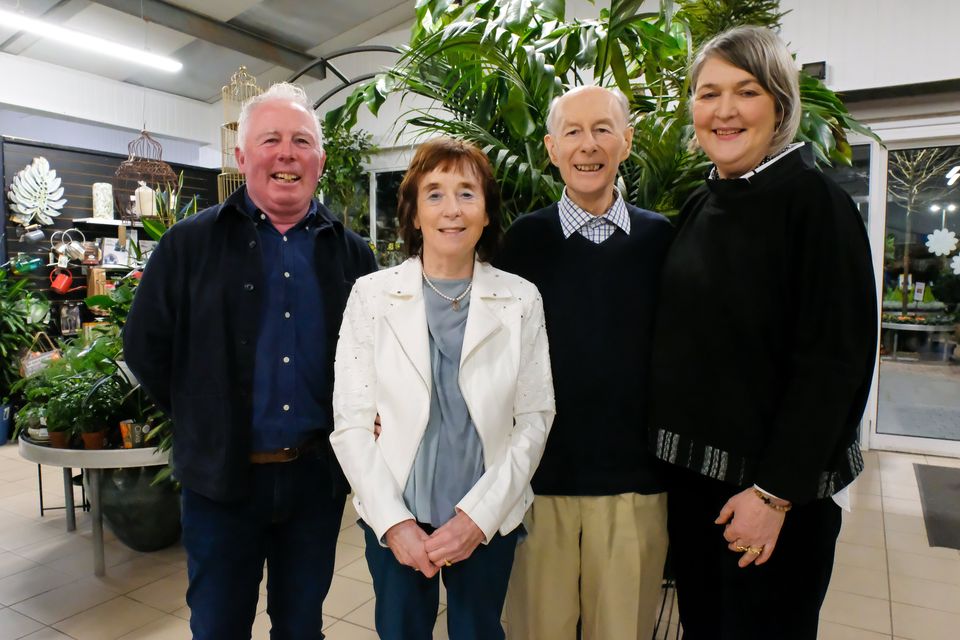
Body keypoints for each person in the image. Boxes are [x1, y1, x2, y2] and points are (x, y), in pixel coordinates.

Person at [123, 82, 377, 640]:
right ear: (242, 157)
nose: (287, 153)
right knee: (218, 627)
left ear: (320, 159)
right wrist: (204, 412)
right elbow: (143, 347)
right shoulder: (188, 246)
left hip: (315, 481)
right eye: (271, 140)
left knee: (301, 625)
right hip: (221, 483)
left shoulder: (354, 255)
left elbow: (373, 360)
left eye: (301, 141)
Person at [647, 26, 877, 640]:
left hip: (771, 500)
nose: (723, 110)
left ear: (779, 103)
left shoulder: (816, 205)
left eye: (744, 91)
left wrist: (773, 496)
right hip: (697, 489)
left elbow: (835, 365)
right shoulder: (704, 204)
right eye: (707, 93)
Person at [330, 137, 555, 640]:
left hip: (485, 516)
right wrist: (393, 524)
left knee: (478, 632)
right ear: (412, 214)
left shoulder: (519, 299)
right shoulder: (371, 296)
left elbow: (536, 418)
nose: (451, 210)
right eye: (434, 194)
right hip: (397, 514)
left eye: (466, 193)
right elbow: (350, 424)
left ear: (487, 213)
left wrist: (478, 519)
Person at [497, 85, 674, 640]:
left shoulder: (663, 239)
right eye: (572, 131)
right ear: (551, 148)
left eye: (602, 128)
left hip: (635, 485)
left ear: (627, 140)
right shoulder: (523, 242)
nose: (587, 144)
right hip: (538, 482)